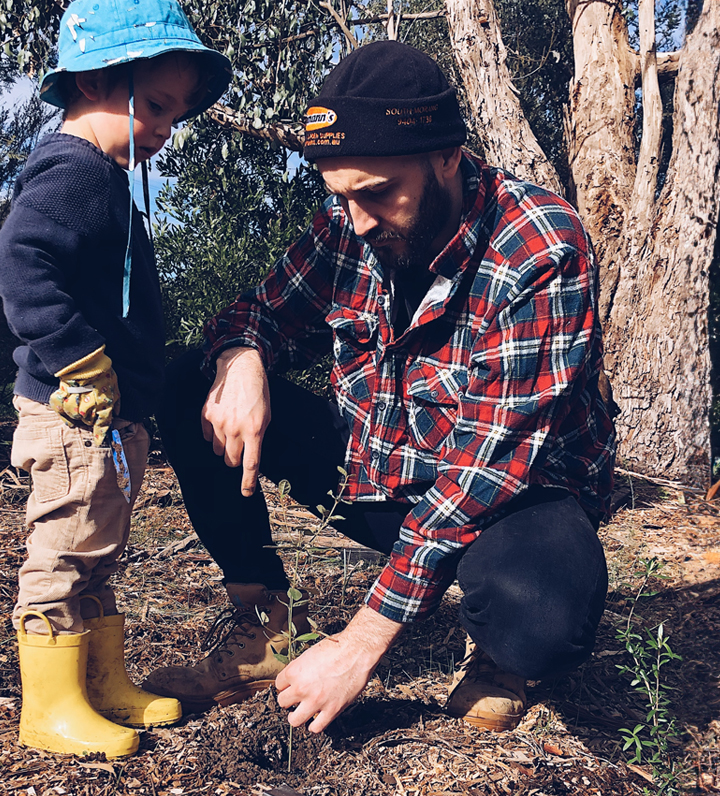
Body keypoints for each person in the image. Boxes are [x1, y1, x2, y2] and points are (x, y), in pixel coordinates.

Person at [142, 40, 616, 735]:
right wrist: (242, 358)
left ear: (447, 157)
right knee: (191, 380)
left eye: (377, 193)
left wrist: (362, 641)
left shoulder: (540, 248)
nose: (358, 219)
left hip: (510, 497)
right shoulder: (350, 223)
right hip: (380, 471)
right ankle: (265, 622)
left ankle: (501, 657)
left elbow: (485, 469)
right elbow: (257, 311)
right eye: (341, 195)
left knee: (545, 614)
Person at [0, 0, 229, 759]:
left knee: (95, 546)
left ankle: (101, 682)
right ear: (94, 82)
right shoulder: (75, 172)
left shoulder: (100, 177)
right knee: (63, 550)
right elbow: (17, 263)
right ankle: (50, 709)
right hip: (72, 411)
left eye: (176, 114)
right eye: (155, 106)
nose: (165, 128)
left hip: (105, 417)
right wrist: (78, 357)